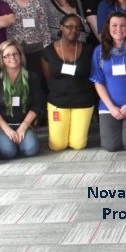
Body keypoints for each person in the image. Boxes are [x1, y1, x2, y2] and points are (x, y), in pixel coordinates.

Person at [89, 12, 126, 152]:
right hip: (108, 106)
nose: (118, 29)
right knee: (111, 146)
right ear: (108, 27)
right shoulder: (99, 51)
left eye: (123, 25)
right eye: (114, 25)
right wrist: (111, 107)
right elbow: (98, 81)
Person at [41, 14, 95, 151]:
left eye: (77, 27)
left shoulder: (89, 50)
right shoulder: (48, 51)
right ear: (61, 28)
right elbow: (48, 79)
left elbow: (93, 76)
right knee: (57, 146)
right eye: (69, 27)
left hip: (83, 102)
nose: (74, 30)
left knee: (78, 145)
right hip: (58, 103)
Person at [0, 41, 44, 160]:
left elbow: (37, 105)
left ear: (21, 55)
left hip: (22, 123)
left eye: (15, 54)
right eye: (7, 55)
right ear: (1, 58)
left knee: (31, 150)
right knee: (8, 152)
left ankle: (15, 141)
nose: (12, 57)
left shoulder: (32, 77)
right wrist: (7, 130)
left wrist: (24, 126)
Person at [0, 0, 52, 76]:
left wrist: (48, 52)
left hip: (37, 50)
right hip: (13, 53)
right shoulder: (3, 1)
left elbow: (44, 28)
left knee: (37, 81)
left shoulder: (39, 0)